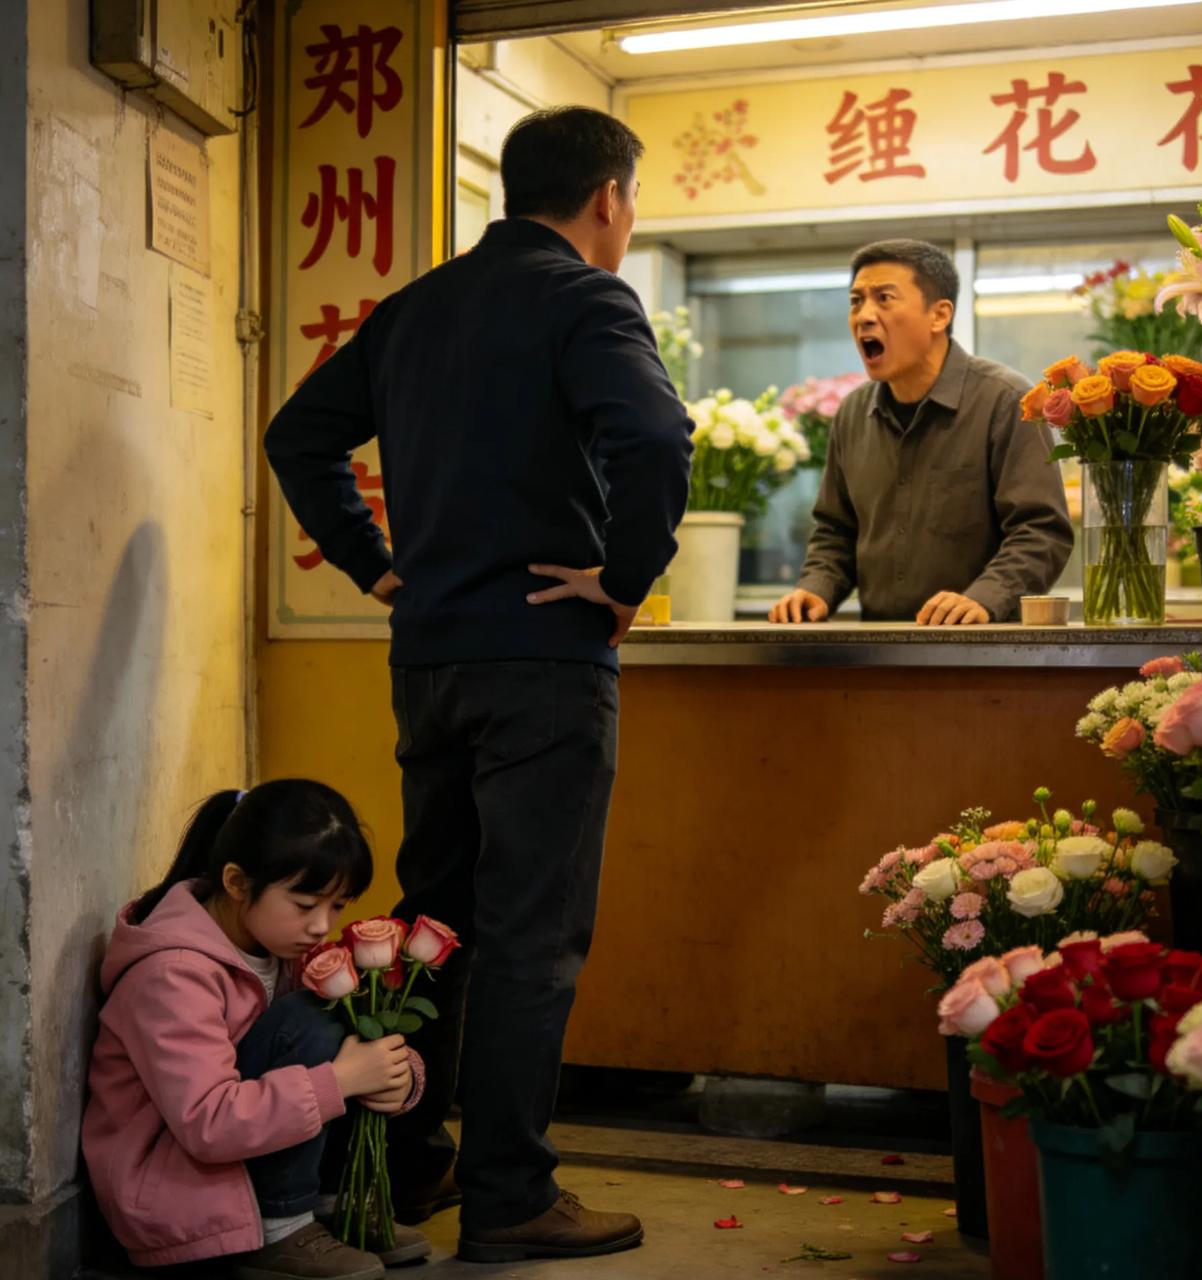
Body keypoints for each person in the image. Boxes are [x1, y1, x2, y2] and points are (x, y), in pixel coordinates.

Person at [264, 105, 692, 1262]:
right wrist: (625, 579)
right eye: (630, 199)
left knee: (435, 919)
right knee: (528, 931)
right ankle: (510, 1191)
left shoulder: (416, 308)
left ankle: (410, 1165)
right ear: (609, 198)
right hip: (542, 665)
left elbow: (297, 435)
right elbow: (656, 438)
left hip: (430, 663)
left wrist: (374, 564)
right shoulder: (586, 297)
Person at [81, 779, 430, 1280]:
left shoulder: (280, 944)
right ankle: (281, 1224)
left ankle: (327, 1204)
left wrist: (397, 1078)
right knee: (311, 1017)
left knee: (343, 1008)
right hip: (173, 1194)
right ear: (238, 883)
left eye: (338, 906)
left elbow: (347, 1051)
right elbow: (209, 1123)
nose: (321, 926)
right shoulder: (173, 974)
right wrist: (344, 1080)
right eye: (306, 905)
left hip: (231, 1166)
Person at [770, 239, 1072, 626]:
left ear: (939, 315)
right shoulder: (852, 413)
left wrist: (984, 597)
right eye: (856, 300)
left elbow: (1041, 532)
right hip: (880, 656)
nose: (864, 315)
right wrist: (815, 587)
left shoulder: (1005, 399)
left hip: (986, 651)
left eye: (884, 298)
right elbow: (836, 531)